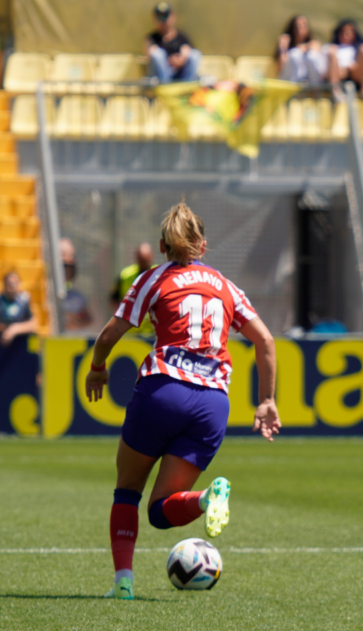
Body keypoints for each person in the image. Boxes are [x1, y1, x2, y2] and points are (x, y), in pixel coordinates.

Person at [86, 201, 280, 600]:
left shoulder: (151, 280)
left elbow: (108, 335)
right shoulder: (226, 286)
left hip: (163, 392)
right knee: (162, 510)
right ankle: (208, 497)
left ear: (162, 245)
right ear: (203, 246)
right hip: (212, 404)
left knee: (128, 490)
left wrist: (98, 367)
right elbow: (265, 340)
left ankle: (123, 583)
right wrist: (266, 400)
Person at [145, 2, 200, 85]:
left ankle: (186, 89)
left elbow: (188, 51)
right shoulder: (152, 38)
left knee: (195, 54)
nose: (164, 20)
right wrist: (169, 62)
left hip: (181, 76)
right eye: (160, 16)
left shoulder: (182, 37)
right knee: (157, 54)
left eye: (166, 16)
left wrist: (181, 59)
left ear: (172, 16)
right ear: (155, 18)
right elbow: (150, 55)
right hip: (162, 78)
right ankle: (165, 88)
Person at [110, 243, 156, 335]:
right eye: (141, 259)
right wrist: (124, 315)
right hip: (130, 331)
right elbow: (113, 299)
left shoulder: (159, 274)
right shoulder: (125, 274)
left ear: (151, 257)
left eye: (145, 260)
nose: (143, 263)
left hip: (153, 331)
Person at [0, 271, 37, 347]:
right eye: (9, 283)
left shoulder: (24, 299)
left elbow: (32, 324)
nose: (12, 286)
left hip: (21, 343)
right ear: (4, 284)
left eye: (14, 283)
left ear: (19, 283)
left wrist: (14, 329)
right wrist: (6, 330)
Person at [275, 14, 325, 85]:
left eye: (303, 25)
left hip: (307, 81)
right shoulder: (288, 46)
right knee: (294, 54)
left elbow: (317, 63)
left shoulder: (312, 43)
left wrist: (303, 48)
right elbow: (281, 69)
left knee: (310, 55)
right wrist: (283, 50)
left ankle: (315, 90)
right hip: (289, 80)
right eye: (297, 26)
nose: (300, 28)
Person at [59, 237, 93, 331]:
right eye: (63, 267)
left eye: (68, 269)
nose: (65, 273)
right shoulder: (45, 293)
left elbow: (88, 319)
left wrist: (74, 324)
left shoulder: (77, 297)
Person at [325, 19, 363, 93]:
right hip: (337, 73)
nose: (347, 35)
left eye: (350, 32)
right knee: (332, 53)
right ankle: (335, 90)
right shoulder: (332, 47)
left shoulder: (358, 48)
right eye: (344, 32)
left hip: (354, 74)